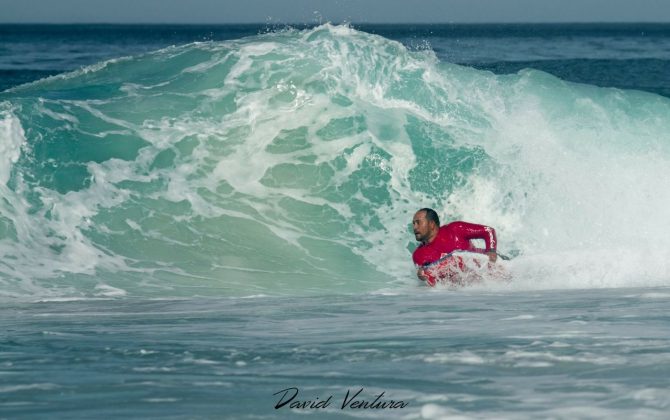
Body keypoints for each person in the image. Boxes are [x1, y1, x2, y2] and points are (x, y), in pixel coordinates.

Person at [412, 208, 498, 285]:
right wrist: (424, 275)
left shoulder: (455, 229)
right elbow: (434, 282)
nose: (415, 227)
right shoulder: (418, 255)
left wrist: (491, 250)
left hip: (492, 270)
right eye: (413, 223)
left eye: (418, 223)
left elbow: (488, 231)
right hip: (468, 289)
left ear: (431, 224)